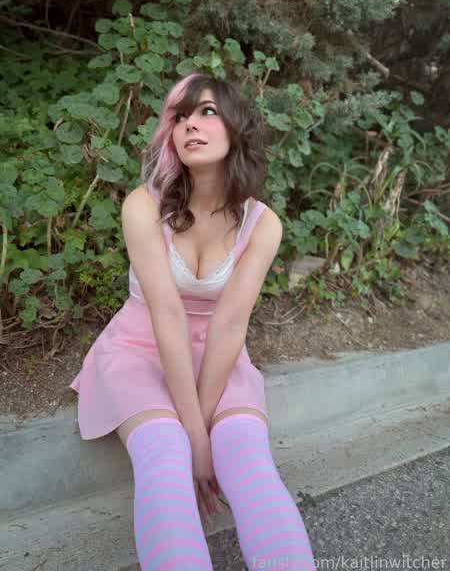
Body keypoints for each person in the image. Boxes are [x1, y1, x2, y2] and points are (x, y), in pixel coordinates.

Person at [69, 72, 317, 570]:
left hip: (219, 357)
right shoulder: (144, 206)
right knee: (165, 456)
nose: (190, 125)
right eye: (180, 116)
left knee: (247, 458)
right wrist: (191, 440)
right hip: (139, 349)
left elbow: (229, 325)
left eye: (207, 111)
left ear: (235, 126)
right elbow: (165, 314)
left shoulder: (263, 224)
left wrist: (202, 432)